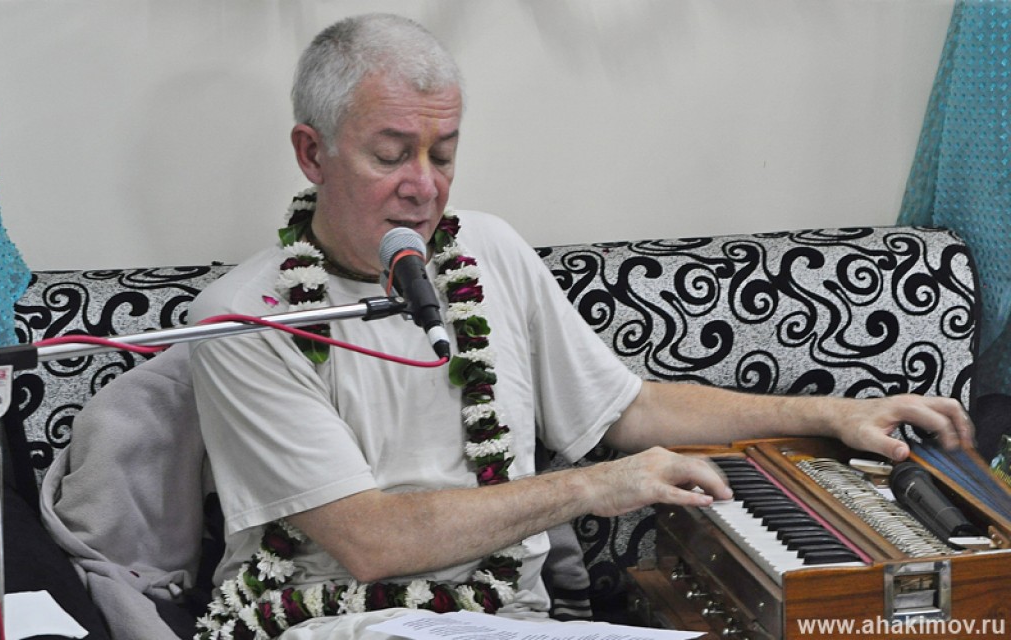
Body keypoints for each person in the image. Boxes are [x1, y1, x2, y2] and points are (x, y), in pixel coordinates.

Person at [187, 13, 975, 639]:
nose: (424, 187)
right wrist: (595, 486)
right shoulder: (241, 319)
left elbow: (629, 409)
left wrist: (834, 414)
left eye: (443, 153)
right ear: (312, 153)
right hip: (340, 621)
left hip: (512, 619)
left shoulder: (489, 249)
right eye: (392, 155)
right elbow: (372, 541)